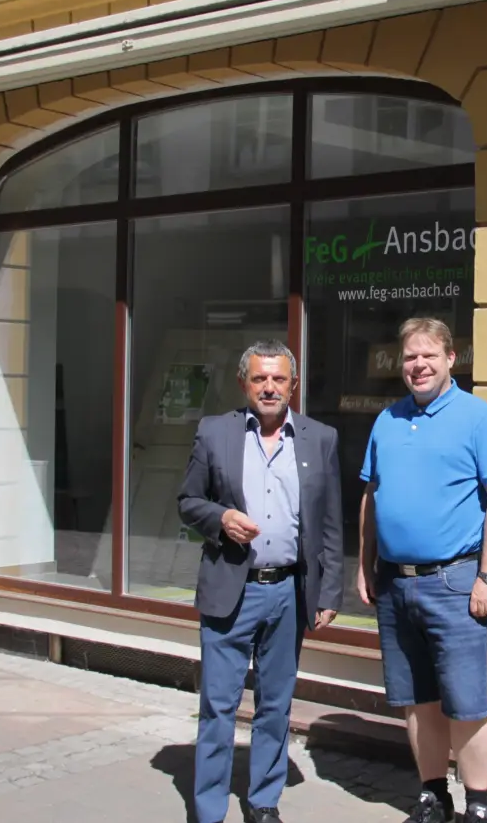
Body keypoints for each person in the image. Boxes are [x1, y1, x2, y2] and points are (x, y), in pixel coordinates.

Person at [357, 317, 487, 823]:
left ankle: (476, 806)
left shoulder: (478, 418)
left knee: (466, 703)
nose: (418, 365)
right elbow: (370, 496)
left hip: (456, 583)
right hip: (396, 583)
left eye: (429, 355)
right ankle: (433, 797)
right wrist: (364, 566)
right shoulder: (386, 421)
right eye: (410, 357)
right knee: (416, 701)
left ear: (452, 359)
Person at [177, 340, 344, 823]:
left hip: (289, 593)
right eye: (259, 379)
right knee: (218, 706)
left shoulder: (321, 438)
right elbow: (189, 501)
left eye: (278, 379)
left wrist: (328, 591)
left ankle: (264, 801)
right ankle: (208, 809)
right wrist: (221, 516)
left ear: (293, 385)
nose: (269, 387)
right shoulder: (214, 433)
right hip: (232, 588)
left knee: (276, 705)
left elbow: (330, 524)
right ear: (243, 383)